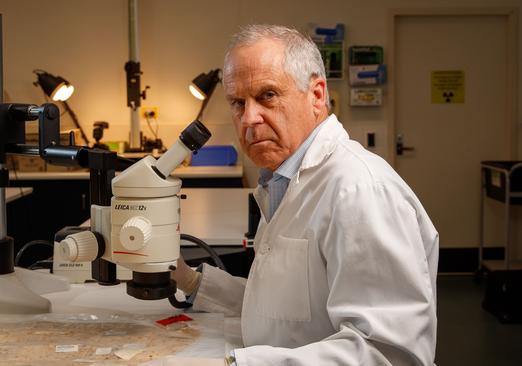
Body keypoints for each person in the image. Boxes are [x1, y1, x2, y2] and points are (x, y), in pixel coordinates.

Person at [171, 24, 439, 365]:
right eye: (238, 103)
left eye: (267, 95)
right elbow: (282, 310)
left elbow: (388, 353)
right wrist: (190, 280)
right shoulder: (284, 180)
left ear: (316, 95)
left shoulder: (360, 192)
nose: (250, 118)